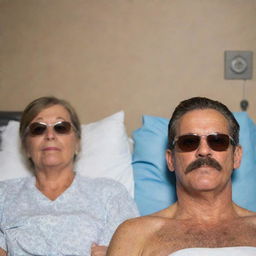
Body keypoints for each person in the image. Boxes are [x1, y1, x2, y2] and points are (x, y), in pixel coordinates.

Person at [107, 97, 256, 256]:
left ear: (237, 157)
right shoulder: (136, 235)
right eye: (189, 142)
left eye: (217, 141)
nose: (204, 151)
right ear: (171, 160)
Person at [0, 96, 138, 256]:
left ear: (77, 142)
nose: (50, 135)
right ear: (26, 146)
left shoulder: (109, 193)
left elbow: (132, 247)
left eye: (61, 127)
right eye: (38, 128)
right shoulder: (4, 195)